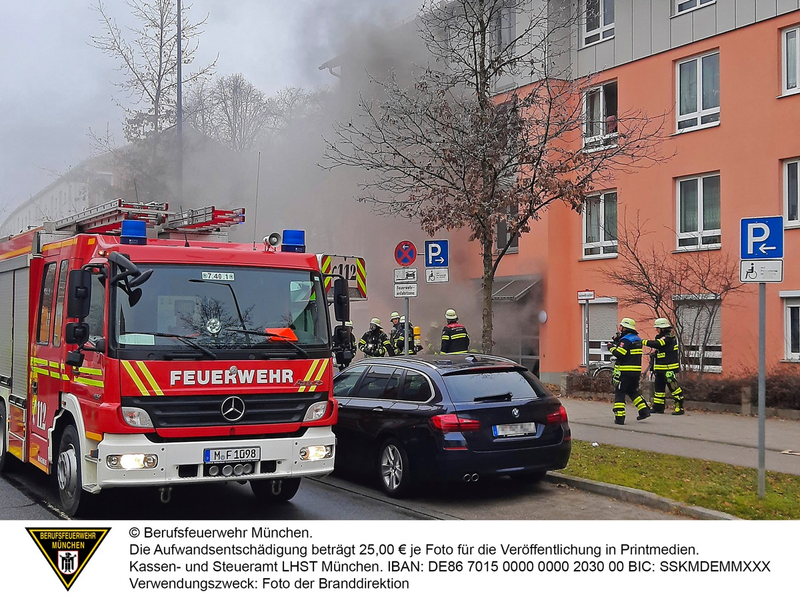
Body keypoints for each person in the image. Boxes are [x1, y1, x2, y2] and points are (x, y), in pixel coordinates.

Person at [608, 317, 651, 425]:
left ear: (625, 328)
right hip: (635, 372)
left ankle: (619, 417)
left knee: (620, 392)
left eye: (621, 327)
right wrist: (618, 340)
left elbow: (620, 354)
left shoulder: (626, 340)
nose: (620, 328)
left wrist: (611, 347)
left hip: (625, 371)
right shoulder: (637, 339)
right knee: (633, 391)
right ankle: (644, 411)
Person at [642, 317, 685, 415]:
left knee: (674, 389)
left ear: (662, 328)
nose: (656, 330)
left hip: (669, 369)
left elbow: (659, 344)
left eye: (657, 328)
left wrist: (643, 342)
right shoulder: (661, 337)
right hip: (660, 368)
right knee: (659, 390)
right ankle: (658, 407)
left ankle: (679, 407)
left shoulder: (669, 337)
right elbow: (662, 349)